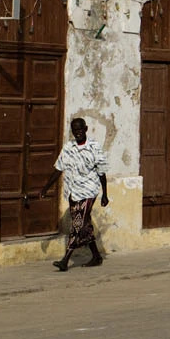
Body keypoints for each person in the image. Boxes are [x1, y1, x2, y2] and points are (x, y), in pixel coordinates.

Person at [52, 116, 109, 271]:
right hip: (74, 191)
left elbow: (101, 172)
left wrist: (105, 194)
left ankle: (65, 260)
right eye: (74, 130)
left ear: (86, 129)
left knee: (77, 224)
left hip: (90, 190)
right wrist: (46, 187)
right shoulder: (69, 148)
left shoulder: (94, 147)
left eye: (80, 129)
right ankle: (96, 256)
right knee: (84, 224)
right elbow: (58, 168)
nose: (77, 133)